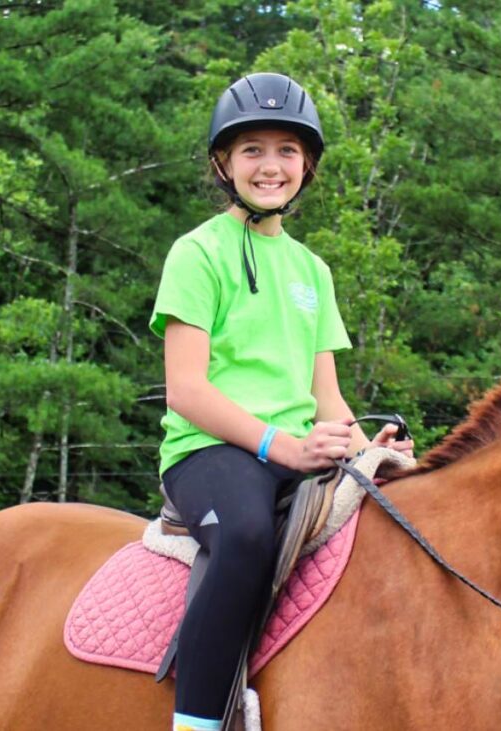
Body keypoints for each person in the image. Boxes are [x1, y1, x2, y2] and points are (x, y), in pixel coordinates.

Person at [149, 72, 413, 731]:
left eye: (287, 150)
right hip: (210, 450)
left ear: (308, 165)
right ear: (222, 162)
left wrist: (370, 448)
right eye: (252, 150)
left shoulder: (312, 271)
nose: (271, 166)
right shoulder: (197, 252)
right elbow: (186, 388)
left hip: (297, 453)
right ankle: (196, 723)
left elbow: (327, 398)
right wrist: (279, 443)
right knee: (243, 534)